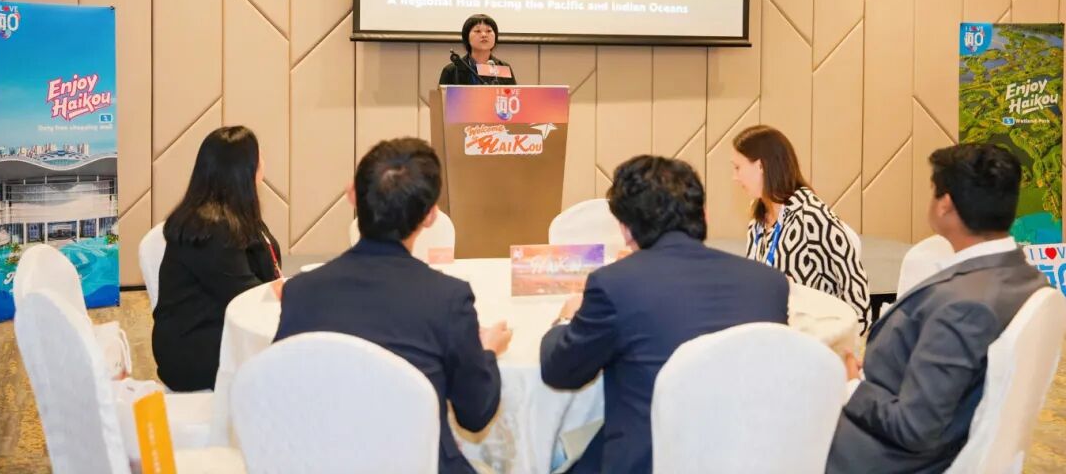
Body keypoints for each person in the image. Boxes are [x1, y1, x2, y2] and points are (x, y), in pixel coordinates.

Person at [539, 155, 789, 474]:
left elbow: (560, 371)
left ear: (626, 229)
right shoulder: (768, 283)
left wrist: (565, 319)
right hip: (749, 461)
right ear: (705, 215)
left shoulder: (614, 284)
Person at [274, 138, 510, 474]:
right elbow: (475, 414)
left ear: (353, 196)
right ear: (430, 216)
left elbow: (283, 399)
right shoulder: (447, 299)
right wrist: (487, 352)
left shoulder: (300, 292)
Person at [827, 143, 1049, 473]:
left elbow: (913, 427)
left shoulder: (964, 307)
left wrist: (853, 386)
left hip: (881, 456)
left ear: (945, 205)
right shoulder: (1024, 277)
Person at [152, 126, 282, 392]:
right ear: (244, 171)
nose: (263, 162)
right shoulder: (211, 228)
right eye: (258, 157)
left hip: (216, 330)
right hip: (192, 351)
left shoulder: (235, 214)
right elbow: (247, 294)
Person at [732, 124, 871, 332]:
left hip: (815, 339)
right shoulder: (757, 222)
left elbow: (856, 290)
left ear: (761, 166)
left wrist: (849, 344)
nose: (735, 177)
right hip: (772, 335)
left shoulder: (811, 215)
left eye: (738, 168)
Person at [439, 13, 517, 85]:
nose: (484, 35)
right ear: (466, 37)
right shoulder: (452, 71)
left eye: (489, 31)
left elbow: (513, 94)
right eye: (477, 31)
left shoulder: (504, 69)